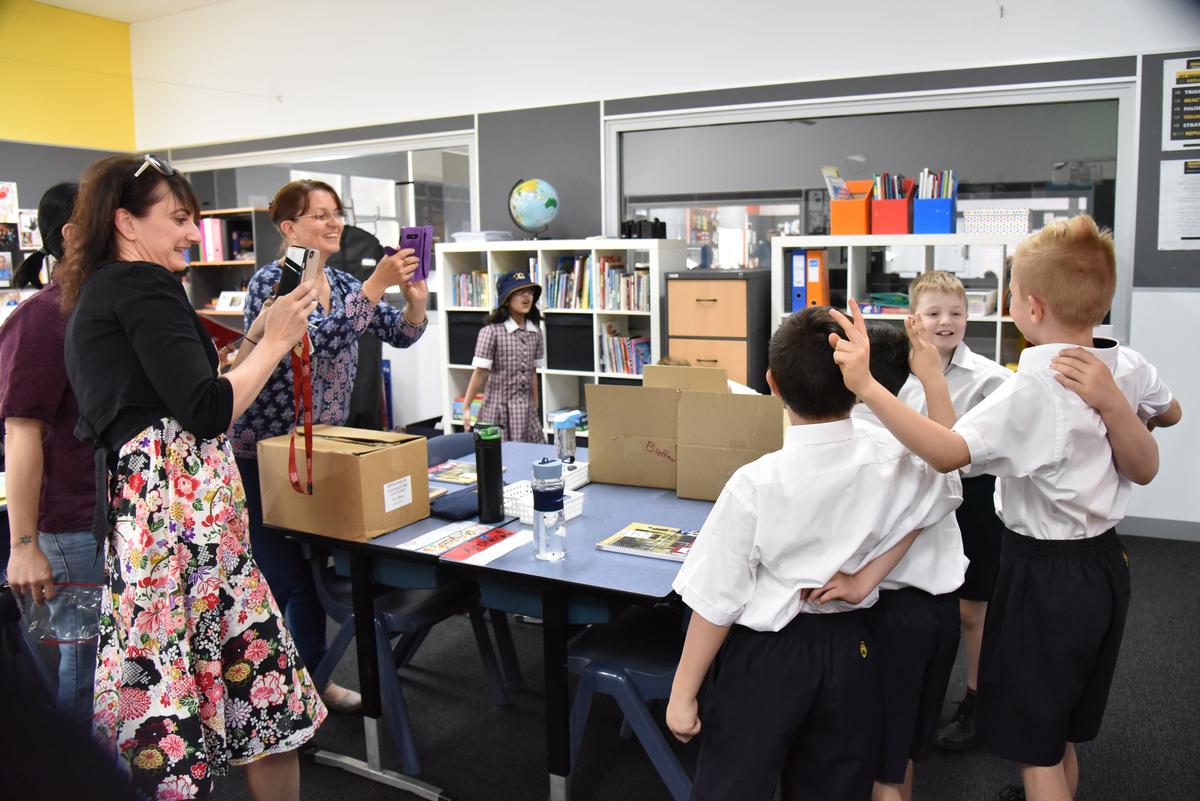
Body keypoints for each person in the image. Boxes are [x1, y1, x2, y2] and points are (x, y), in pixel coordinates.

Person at [829, 215, 1181, 801]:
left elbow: (948, 453)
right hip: (1105, 565)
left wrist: (867, 386)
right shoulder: (1126, 364)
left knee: (1033, 748)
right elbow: (1170, 414)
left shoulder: (1032, 389)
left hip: (1044, 575)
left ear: (1031, 307)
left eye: (1011, 292)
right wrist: (1117, 409)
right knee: (1059, 723)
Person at [60, 154, 326, 801]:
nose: (191, 234)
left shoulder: (106, 291)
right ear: (126, 222)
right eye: (178, 219)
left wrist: (255, 336)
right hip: (188, 539)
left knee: (181, 712)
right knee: (262, 704)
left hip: (164, 539)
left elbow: (175, 391)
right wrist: (275, 343)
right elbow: (206, 410)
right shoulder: (143, 286)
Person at [665, 306, 963, 801]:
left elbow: (716, 600)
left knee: (734, 784)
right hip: (851, 648)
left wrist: (682, 693)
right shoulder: (891, 455)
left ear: (772, 384)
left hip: (768, 655)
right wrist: (868, 577)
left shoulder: (755, 483)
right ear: (854, 384)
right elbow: (945, 488)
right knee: (835, 787)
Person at [230, 179, 428, 713]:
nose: (334, 223)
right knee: (278, 576)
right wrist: (377, 283)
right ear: (289, 227)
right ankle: (265, 698)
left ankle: (311, 682)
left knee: (309, 573)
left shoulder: (340, 281)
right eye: (320, 215)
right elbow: (318, 342)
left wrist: (415, 305)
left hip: (321, 449)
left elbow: (401, 334)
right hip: (265, 454)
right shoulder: (275, 282)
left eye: (337, 213)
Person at [847, 321, 968, 801]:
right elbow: (951, 452)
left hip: (890, 613)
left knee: (879, 763)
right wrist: (933, 378)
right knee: (903, 754)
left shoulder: (857, 443)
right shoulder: (924, 434)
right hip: (940, 611)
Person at [898, 270, 1017, 753]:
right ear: (913, 319)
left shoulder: (991, 378)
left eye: (956, 313)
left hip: (973, 501)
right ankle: (919, 696)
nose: (946, 322)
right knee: (917, 601)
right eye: (933, 313)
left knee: (972, 610)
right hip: (913, 496)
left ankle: (975, 699)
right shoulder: (897, 371)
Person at [0, 181, 103, 730]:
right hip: (72, 528)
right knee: (85, 674)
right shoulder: (42, 318)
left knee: (113, 670)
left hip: (110, 519)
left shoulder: (99, 308)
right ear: (73, 234)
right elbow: (21, 435)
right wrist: (23, 546)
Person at [461, 271, 545, 441]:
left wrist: (535, 406)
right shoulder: (491, 332)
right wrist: (466, 407)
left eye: (530, 291)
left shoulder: (536, 333)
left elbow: (532, 373)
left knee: (532, 453)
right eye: (519, 292)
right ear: (506, 299)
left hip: (526, 411)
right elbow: (480, 373)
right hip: (497, 410)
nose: (526, 296)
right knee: (498, 454)